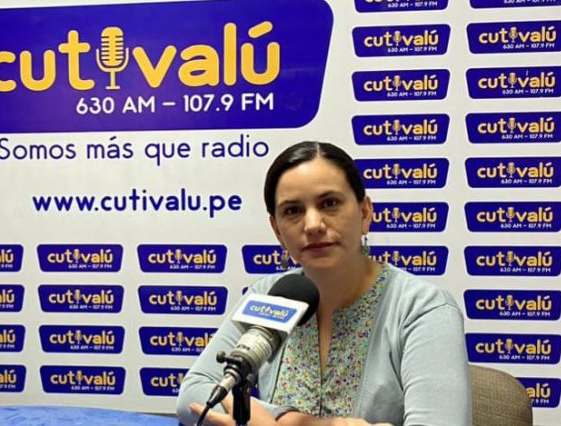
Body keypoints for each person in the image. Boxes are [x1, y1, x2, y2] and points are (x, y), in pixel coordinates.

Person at [177, 141, 470, 426]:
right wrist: (295, 421)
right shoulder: (267, 296)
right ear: (277, 231)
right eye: (293, 211)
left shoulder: (423, 308)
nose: (313, 224)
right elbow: (194, 393)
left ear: (365, 213)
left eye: (329, 204)